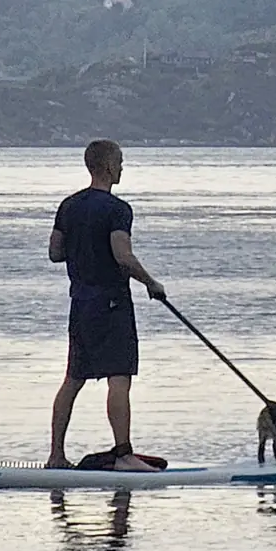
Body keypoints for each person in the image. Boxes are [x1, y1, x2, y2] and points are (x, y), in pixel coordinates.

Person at [46, 139, 167, 471]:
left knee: (73, 378)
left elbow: (55, 252)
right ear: (108, 166)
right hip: (112, 304)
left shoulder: (68, 206)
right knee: (119, 378)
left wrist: (84, 249)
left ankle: (56, 456)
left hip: (81, 305)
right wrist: (151, 283)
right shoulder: (118, 209)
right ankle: (124, 454)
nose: (123, 167)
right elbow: (123, 256)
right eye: (120, 161)